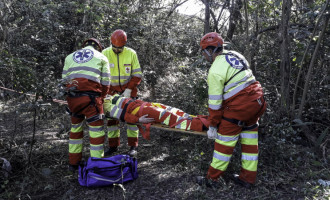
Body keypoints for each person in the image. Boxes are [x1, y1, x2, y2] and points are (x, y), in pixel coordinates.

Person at [196, 32, 267, 188]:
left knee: (224, 144)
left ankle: (212, 180)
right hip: (258, 102)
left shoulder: (215, 70)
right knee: (250, 142)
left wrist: (214, 125)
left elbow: (215, 104)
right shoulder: (235, 55)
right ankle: (248, 179)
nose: (203, 55)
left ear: (209, 50)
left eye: (203, 51)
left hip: (240, 107)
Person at [62, 38, 110, 171]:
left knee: (75, 130)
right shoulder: (101, 57)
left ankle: (73, 163)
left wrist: (69, 98)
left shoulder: (69, 57)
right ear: (98, 47)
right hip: (91, 101)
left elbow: (64, 82)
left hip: (73, 100)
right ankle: (96, 164)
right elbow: (106, 82)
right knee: (96, 132)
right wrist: (102, 97)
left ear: (84, 46)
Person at [102, 29, 143, 157]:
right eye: (115, 47)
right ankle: (113, 146)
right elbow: (101, 76)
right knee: (112, 121)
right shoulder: (104, 53)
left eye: (120, 48)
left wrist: (129, 89)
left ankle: (133, 146)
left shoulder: (131, 53)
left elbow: (137, 74)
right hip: (111, 91)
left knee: (132, 120)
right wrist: (107, 92)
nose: (117, 50)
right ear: (111, 43)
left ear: (124, 45)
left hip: (128, 91)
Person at [103, 94, 210, 138]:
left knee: (174, 111)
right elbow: (122, 115)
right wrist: (138, 119)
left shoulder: (105, 96)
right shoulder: (104, 104)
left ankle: (206, 120)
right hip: (138, 111)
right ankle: (205, 126)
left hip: (142, 105)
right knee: (169, 117)